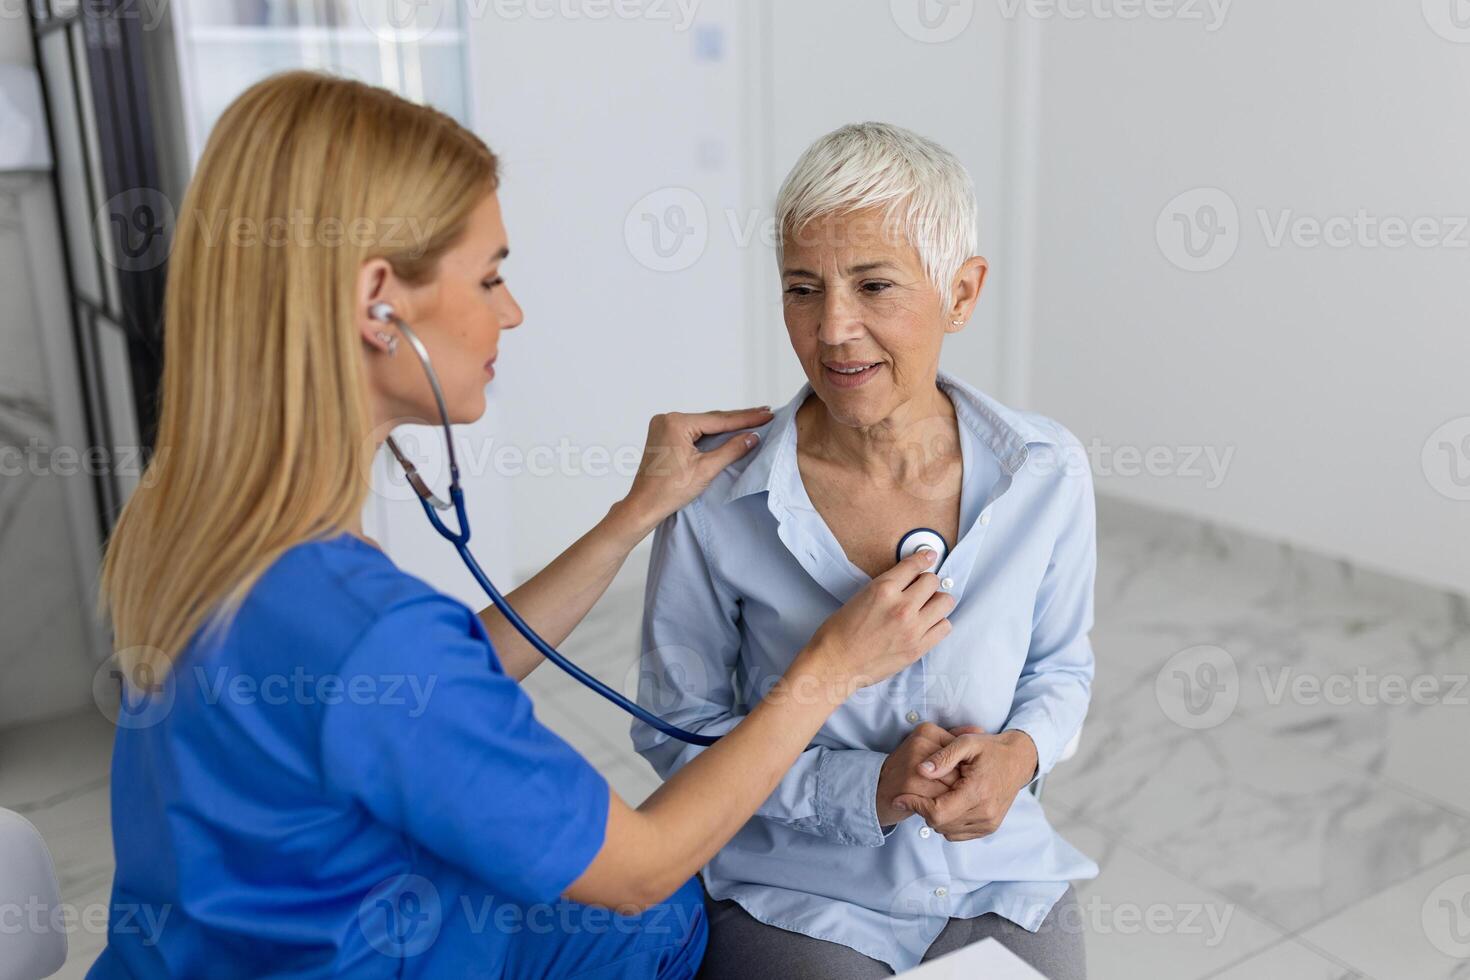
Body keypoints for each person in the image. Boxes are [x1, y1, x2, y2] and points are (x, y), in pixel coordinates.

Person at [88, 75, 955, 979]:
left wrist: (629, 520)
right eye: (491, 275)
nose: (513, 310)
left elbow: (409, 693)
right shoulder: (368, 627)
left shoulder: (203, 534)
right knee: (660, 915)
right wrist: (831, 668)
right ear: (379, 302)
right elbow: (641, 865)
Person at [634, 123, 1098, 979]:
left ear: (961, 294)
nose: (834, 328)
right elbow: (676, 732)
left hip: (994, 874)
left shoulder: (1046, 472)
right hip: (797, 885)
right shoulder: (716, 501)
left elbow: (1062, 668)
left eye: (874, 285)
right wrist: (866, 791)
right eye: (802, 289)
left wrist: (1019, 756)